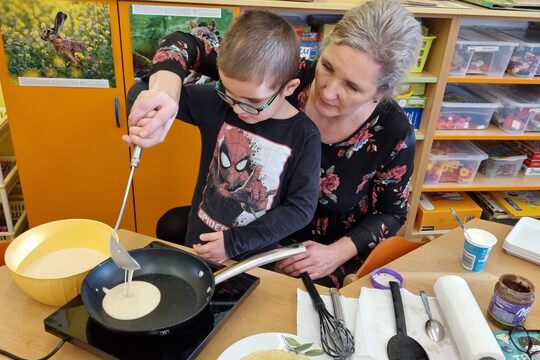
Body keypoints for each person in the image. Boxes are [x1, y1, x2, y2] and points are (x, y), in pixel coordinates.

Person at [125, 0, 422, 287]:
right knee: (174, 230)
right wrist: (164, 95)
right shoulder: (281, 72)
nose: (328, 91)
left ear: (380, 93)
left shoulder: (393, 133)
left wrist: (335, 254)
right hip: (249, 225)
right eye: (328, 66)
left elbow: (392, 213)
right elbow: (184, 44)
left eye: (352, 87)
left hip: (319, 251)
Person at [125, 10, 321, 263]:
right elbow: (139, 89)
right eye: (228, 92)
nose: (238, 109)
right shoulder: (219, 104)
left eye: (253, 101)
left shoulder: (304, 135)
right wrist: (159, 103)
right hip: (199, 244)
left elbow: (300, 209)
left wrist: (234, 243)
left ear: (289, 88)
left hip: (253, 260)